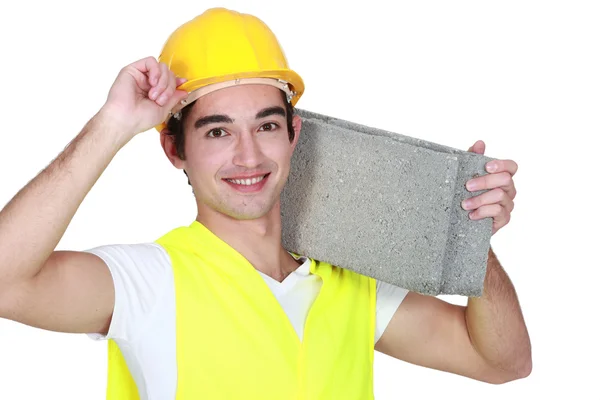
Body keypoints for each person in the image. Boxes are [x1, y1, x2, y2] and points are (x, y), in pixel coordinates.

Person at [0, 7, 531, 400]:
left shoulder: (350, 282)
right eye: (216, 132)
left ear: (294, 135)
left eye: (267, 125)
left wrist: (470, 236)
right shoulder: (147, 282)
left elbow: (502, 362)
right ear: (173, 149)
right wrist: (112, 125)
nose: (247, 155)